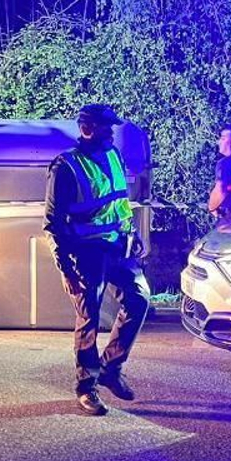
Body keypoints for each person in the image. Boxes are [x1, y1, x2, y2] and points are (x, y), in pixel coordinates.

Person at [44, 103, 150, 417]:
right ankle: (86, 388)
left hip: (118, 247)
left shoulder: (112, 155)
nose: (111, 132)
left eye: (111, 128)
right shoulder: (66, 165)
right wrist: (64, 267)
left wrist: (133, 234)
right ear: (87, 128)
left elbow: (120, 202)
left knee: (139, 299)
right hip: (86, 252)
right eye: (105, 128)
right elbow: (53, 222)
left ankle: (110, 369)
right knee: (89, 317)